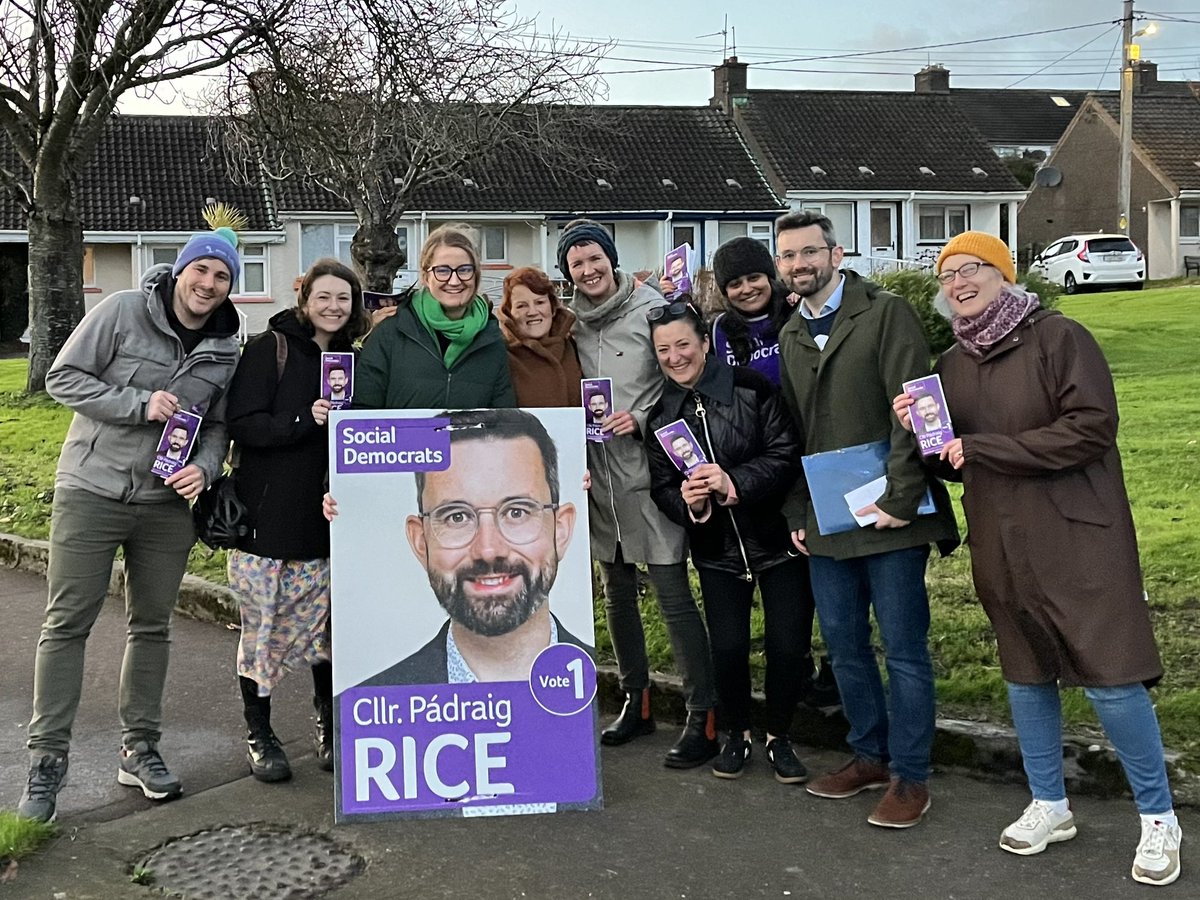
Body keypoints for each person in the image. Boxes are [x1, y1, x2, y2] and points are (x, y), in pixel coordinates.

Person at [893, 231, 1181, 885]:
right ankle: (1049, 803)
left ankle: (1159, 817)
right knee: (1025, 675)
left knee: (1112, 679)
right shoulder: (951, 364)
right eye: (946, 275)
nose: (957, 283)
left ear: (1004, 275)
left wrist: (982, 448)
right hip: (1003, 540)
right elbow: (953, 460)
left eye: (971, 270)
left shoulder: (1059, 337)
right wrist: (921, 434)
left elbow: (1091, 429)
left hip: (1080, 535)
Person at [17, 224, 242, 822]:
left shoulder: (225, 347)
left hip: (164, 505)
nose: (209, 284)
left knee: (152, 627)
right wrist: (138, 405)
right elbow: (62, 378)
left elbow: (217, 424)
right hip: (91, 489)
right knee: (67, 625)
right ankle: (46, 764)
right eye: (202, 270)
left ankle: (138, 748)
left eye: (222, 277)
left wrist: (202, 466)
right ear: (181, 270)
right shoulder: (121, 311)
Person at [775, 211, 958, 829]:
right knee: (846, 649)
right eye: (788, 257)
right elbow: (795, 433)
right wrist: (798, 509)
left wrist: (902, 499)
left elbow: (915, 408)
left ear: (836, 252)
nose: (798, 265)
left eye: (808, 253)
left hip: (893, 517)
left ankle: (910, 775)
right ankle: (868, 756)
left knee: (904, 651)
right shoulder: (792, 332)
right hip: (828, 519)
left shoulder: (885, 315)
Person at [558, 218, 718, 768]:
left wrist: (643, 417)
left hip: (651, 472)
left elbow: (681, 375)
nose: (588, 270)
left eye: (595, 258)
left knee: (672, 594)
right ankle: (637, 700)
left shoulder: (651, 308)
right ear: (569, 272)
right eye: (577, 263)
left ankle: (703, 713)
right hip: (598, 477)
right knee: (617, 595)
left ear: (611, 258)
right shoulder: (569, 322)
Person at [645, 302, 814, 784]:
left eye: (683, 345)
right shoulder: (661, 417)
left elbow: (785, 452)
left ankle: (779, 737)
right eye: (664, 350)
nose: (676, 357)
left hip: (775, 539)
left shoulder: (752, 388)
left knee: (787, 646)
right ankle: (736, 734)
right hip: (717, 551)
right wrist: (691, 504)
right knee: (729, 648)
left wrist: (732, 481)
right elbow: (661, 488)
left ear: (703, 343)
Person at [224, 257, 371, 783]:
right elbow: (242, 423)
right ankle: (259, 733)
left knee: (328, 633)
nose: (334, 307)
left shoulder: (354, 360)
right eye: (324, 297)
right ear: (305, 300)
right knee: (262, 629)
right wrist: (301, 419)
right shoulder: (271, 349)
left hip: (329, 519)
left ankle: (329, 728)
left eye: (344, 299)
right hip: (269, 519)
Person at [359, 408, 586, 685]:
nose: (488, 550)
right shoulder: (370, 706)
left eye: (517, 512)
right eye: (457, 517)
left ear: (561, 531)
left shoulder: (587, 688)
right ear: (420, 541)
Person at [707, 235, 834, 708]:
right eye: (734, 283)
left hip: (815, 452)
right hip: (761, 467)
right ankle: (795, 667)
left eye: (754, 277)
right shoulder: (720, 332)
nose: (746, 289)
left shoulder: (800, 312)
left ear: (771, 276)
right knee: (790, 569)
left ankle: (828, 668)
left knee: (825, 569)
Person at [355, 224, 515, 410]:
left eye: (464, 270)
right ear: (425, 275)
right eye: (443, 271)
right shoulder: (390, 332)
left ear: (476, 275)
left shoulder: (492, 340)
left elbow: (504, 419)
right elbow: (363, 411)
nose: (454, 281)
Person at [495, 266, 584, 408]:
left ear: (552, 307)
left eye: (540, 302)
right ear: (509, 313)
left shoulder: (575, 345)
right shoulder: (500, 356)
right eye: (521, 306)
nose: (532, 312)